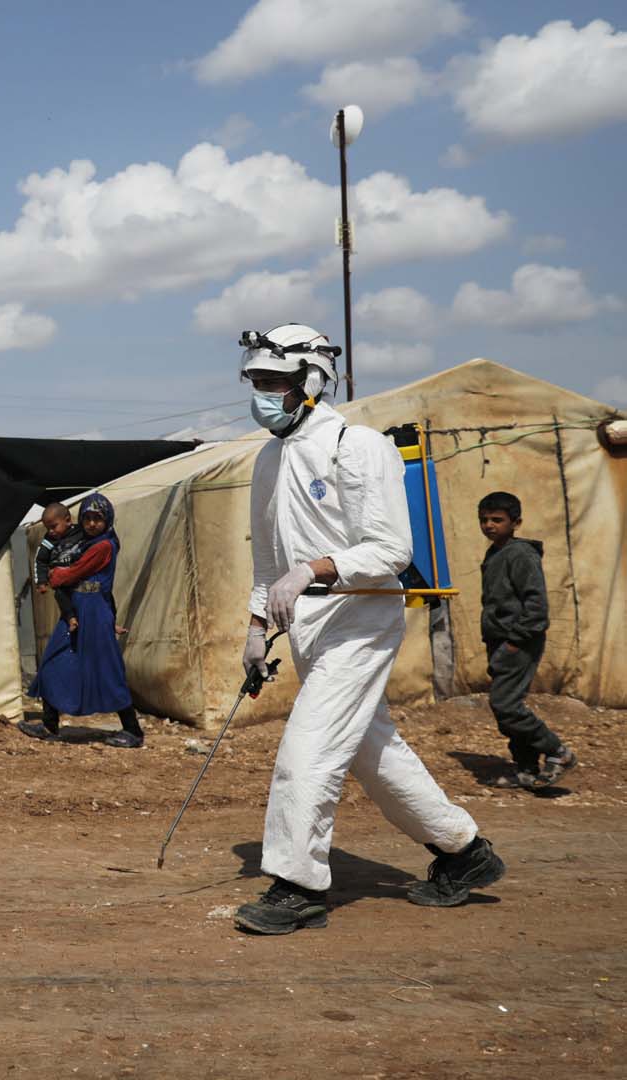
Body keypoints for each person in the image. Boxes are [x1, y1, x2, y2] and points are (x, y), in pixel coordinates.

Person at [233, 323, 504, 934]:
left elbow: (390, 549)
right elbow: (267, 563)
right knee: (371, 751)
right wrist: (256, 625)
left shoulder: (358, 446)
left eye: (276, 382)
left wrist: (314, 568)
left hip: (361, 619)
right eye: (257, 383)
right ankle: (464, 853)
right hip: (308, 626)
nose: (264, 394)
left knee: (308, 749)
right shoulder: (270, 458)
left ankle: (297, 885)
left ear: (311, 382)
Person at [18, 495, 144, 748]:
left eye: (97, 518)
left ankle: (133, 731)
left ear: (107, 519)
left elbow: (70, 574)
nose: (92, 523)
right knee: (53, 661)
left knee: (107, 669)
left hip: (95, 613)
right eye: (87, 518)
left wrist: (57, 575)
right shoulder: (82, 542)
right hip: (77, 611)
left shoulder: (103, 546)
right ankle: (49, 724)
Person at [477, 491, 576, 789]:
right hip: (500, 639)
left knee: (505, 704)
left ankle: (557, 752)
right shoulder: (495, 552)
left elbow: (536, 606)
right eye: (484, 520)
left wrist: (514, 641)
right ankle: (527, 769)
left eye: (498, 520)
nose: (489, 525)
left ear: (516, 522)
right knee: (505, 707)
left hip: (519, 640)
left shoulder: (521, 555)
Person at [33, 501, 86, 631]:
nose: (51, 531)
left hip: (79, 576)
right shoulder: (49, 540)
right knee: (60, 595)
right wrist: (41, 582)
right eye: (47, 528)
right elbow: (40, 560)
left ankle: (111, 622)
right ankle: (71, 618)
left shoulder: (81, 532)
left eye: (54, 526)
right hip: (61, 579)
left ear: (68, 520)